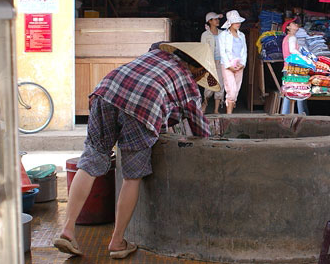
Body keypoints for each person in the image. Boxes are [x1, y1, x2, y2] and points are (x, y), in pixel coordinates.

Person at [53, 42, 219, 259]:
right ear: (199, 69)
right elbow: (200, 130)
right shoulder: (188, 85)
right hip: (142, 109)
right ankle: (117, 241)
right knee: (132, 177)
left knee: (91, 160)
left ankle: (67, 230)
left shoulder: (156, 55)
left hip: (106, 91)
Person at [217, 10, 247, 114]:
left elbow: (244, 51)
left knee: (236, 89)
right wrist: (229, 65)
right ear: (230, 23)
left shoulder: (242, 35)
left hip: (239, 65)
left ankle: (230, 109)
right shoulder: (223, 36)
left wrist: (242, 64)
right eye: (236, 22)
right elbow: (222, 52)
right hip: (227, 65)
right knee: (232, 90)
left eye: (239, 22)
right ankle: (229, 114)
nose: (238, 24)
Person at [281, 17, 309, 115]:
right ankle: (302, 114)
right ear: (288, 27)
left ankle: (284, 114)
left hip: (286, 67)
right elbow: (293, 50)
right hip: (293, 69)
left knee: (288, 92)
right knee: (299, 91)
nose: (296, 24)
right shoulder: (292, 37)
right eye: (293, 23)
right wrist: (305, 58)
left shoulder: (286, 38)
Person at [200, 11, 225, 114]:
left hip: (221, 61)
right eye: (215, 19)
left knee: (220, 84)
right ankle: (204, 104)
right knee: (209, 85)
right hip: (209, 62)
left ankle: (216, 109)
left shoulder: (222, 33)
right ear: (209, 21)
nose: (217, 21)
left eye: (218, 19)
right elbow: (203, 49)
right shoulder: (205, 35)